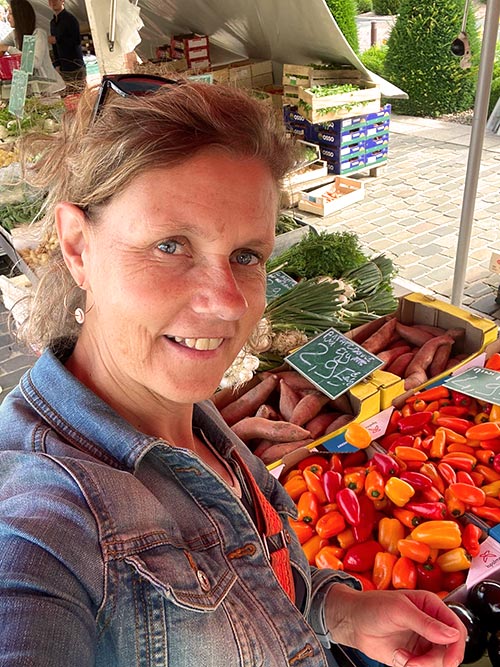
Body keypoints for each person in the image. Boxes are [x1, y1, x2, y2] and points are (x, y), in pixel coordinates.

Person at [0, 76, 466, 667]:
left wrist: (340, 612)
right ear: (76, 246)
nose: (226, 302)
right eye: (170, 245)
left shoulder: (182, 413)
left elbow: (258, 575)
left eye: (246, 256)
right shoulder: (40, 524)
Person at [0, 0, 64, 94]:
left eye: (11, 14)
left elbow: (34, 62)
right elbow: (1, 45)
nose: (8, 17)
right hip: (35, 90)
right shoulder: (15, 34)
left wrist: (9, 49)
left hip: (52, 89)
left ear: (20, 15)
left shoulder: (38, 33)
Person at [48, 0, 85, 84]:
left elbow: (77, 41)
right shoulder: (53, 23)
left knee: (79, 93)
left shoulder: (70, 19)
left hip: (75, 66)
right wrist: (57, 64)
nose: (53, 2)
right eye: (50, 0)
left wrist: (57, 39)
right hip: (63, 67)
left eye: (55, 0)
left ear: (62, 1)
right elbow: (55, 46)